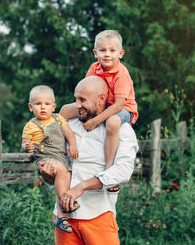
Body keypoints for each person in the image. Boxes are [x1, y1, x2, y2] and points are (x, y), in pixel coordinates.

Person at [40, 76, 138, 244]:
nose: (77, 105)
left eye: (82, 100)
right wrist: (47, 173)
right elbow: (53, 167)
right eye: (75, 99)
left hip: (98, 215)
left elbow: (123, 171)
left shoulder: (120, 129)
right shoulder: (68, 125)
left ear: (101, 98)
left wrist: (82, 187)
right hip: (64, 218)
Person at [61, 30, 138, 193]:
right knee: (65, 110)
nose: (107, 54)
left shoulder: (121, 74)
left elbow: (118, 105)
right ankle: (54, 145)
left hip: (123, 108)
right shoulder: (94, 68)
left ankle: (109, 167)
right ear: (95, 53)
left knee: (112, 123)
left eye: (112, 50)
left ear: (121, 53)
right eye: (102, 50)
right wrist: (82, 106)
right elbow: (87, 89)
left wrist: (95, 121)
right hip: (100, 104)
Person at [21, 85, 79, 233]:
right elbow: (25, 144)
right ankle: (67, 203)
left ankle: (61, 217)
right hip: (43, 158)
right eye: (38, 104)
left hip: (61, 156)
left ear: (53, 107)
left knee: (66, 177)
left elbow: (69, 133)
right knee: (60, 171)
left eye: (47, 104)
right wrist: (27, 147)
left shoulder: (59, 119)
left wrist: (72, 146)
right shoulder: (30, 126)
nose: (42, 107)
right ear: (30, 107)